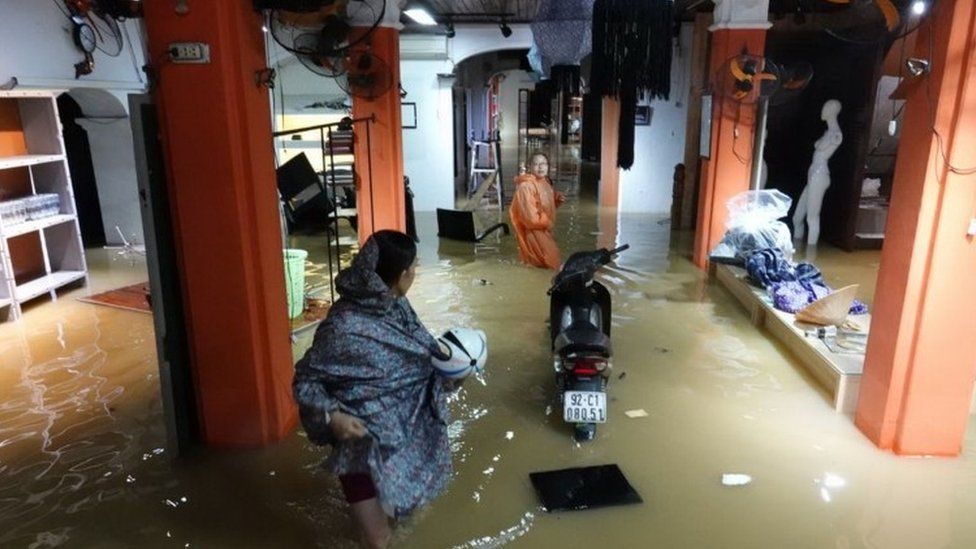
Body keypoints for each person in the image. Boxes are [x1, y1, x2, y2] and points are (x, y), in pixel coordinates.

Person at [293, 230, 456, 549]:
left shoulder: (399, 306)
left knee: (397, 521)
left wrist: (455, 362)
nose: (414, 274)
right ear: (401, 275)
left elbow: (423, 349)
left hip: (401, 445)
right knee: (378, 539)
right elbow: (304, 380)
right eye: (413, 268)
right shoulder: (341, 327)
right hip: (360, 448)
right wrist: (333, 417)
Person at [510, 152, 566, 270]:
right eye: (536, 164)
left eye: (543, 164)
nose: (540, 167)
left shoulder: (544, 183)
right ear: (530, 167)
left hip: (543, 230)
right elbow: (530, 219)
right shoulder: (526, 187)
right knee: (549, 265)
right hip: (534, 233)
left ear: (548, 166)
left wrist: (555, 200)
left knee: (547, 266)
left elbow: (542, 206)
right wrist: (547, 222)